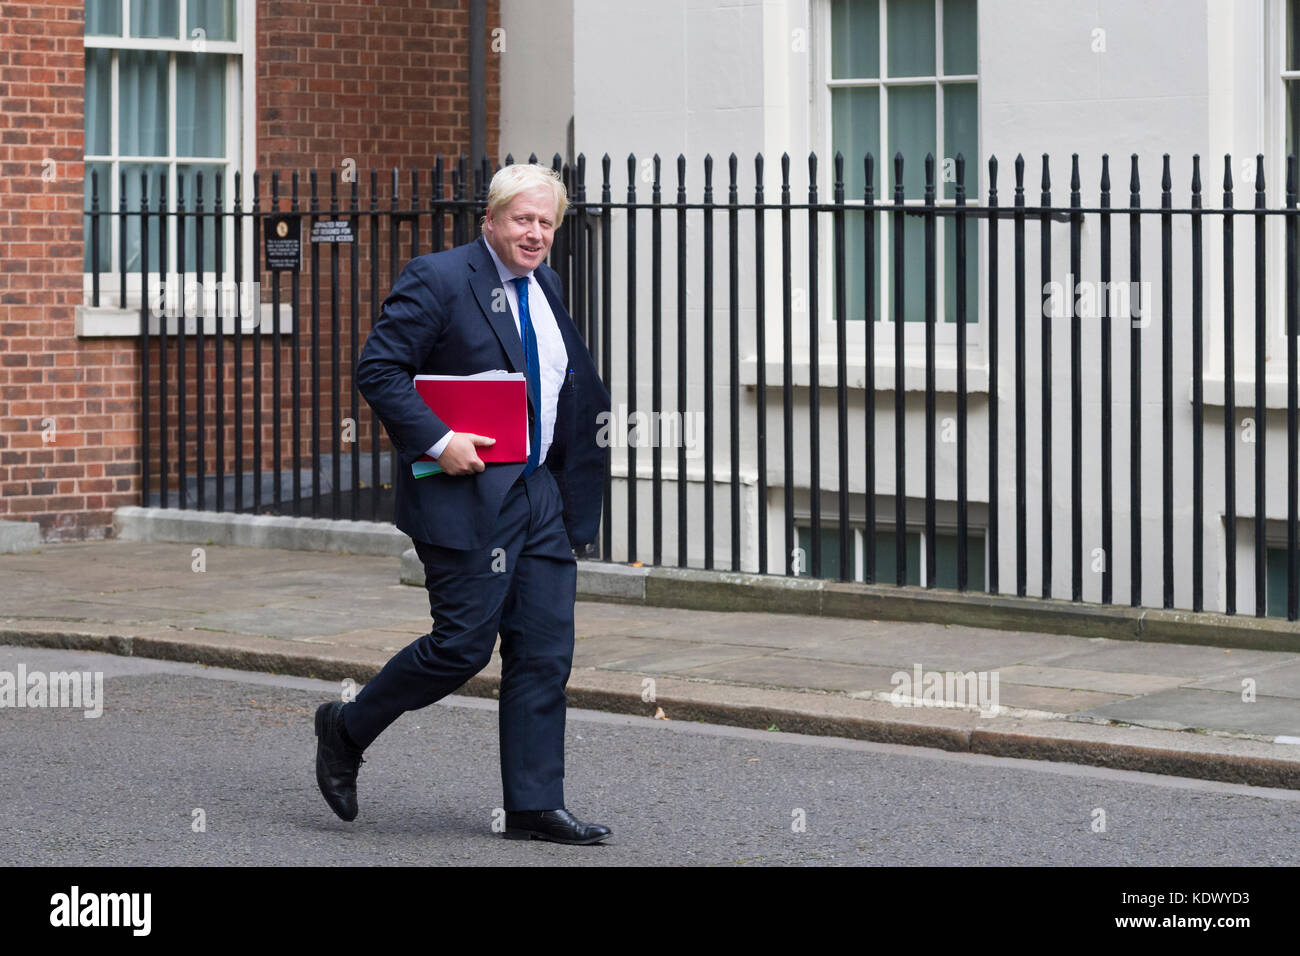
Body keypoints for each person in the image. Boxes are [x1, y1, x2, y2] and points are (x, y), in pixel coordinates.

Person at [313, 162, 612, 844]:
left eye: (546, 223)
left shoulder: (547, 285)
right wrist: (439, 438)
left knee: (543, 653)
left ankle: (534, 804)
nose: (534, 234)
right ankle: (345, 726)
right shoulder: (440, 278)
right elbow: (378, 369)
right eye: (522, 220)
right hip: (466, 491)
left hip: (538, 493)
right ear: (491, 220)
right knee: (461, 647)